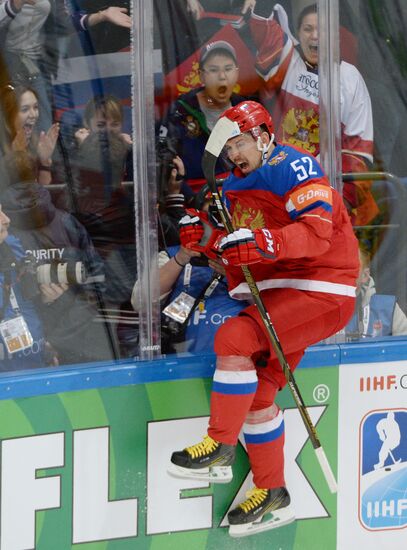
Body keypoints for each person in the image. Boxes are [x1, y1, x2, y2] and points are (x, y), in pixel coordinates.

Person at [168, 101, 359, 537]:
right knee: (259, 389)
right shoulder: (230, 187)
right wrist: (205, 240)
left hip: (321, 287)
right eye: (228, 147)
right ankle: (273, 494)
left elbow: (315, 232)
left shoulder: (292, 165)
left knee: (235, 337)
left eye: (240, 143)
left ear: (263, 136)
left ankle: (219, 446)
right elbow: (236, 250)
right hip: (278, 292)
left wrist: (263, 242)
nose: (235, 154)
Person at [248, 1, 377, 226]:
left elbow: (358, 150)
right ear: (298, 34)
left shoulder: (350, 78)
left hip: (327, 195)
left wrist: (339, 203)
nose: (315, 36)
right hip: (278, 189)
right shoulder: (286, 61)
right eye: (307, 29)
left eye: (322, 30)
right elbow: (263, 27)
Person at [158, 40, 246, 194]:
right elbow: (163, 160)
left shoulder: (247, 109)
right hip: (196, 201)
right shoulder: (179, 112)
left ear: (237, 73)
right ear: (201, 76)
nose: (222, 76)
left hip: (242, 194)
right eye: (213, 70)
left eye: (228, 69)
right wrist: (193, 199)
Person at [0, 202, 59, 371]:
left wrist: (48, 301)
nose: (6, 220)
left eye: (2, 210)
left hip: (35, 363)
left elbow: (27, 304)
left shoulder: (13, 246)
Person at [0, 84, 59, 185]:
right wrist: (16, 158)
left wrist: (44, 161)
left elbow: (44, 192)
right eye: (25, 109)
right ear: (10, 116)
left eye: (35, 107)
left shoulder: (36, 145)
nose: (33, 115)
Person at [345, 247, 407, 340]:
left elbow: (403, 349)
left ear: (365, 275)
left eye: (348, 267)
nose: (340, 273)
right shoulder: (317, 307)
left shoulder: (389, 309)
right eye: (334, 268)